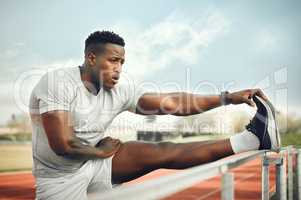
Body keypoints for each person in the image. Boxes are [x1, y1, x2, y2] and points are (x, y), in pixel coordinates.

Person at [29, 30, 280, 200]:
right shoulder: (58, 83)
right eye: (113, 60)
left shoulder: (120, 89)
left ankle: (252, 139)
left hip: (97, 162)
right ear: (91, 57)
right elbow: (62, 144)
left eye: (122, 62)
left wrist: (227, 98)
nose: (118, 69)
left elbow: (172, 103)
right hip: (59, 177)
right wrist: (100, 151)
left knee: (162, 150)